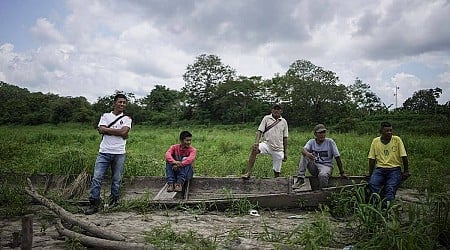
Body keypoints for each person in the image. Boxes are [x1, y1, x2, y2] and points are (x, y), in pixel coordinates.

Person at [85, 93, 132, 215]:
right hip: (104, 152)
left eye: (124, 102)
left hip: (119, 153)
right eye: (120, 102)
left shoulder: (127, 118)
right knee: (97, 178)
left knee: (116, 179)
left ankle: (114, 201)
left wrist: (107, 130)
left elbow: (123, 132)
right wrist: (119, 132)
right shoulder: (105, 116)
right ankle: (94, 203)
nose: (122, 104)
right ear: (114, 103)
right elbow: (102, 129)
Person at [242, 103, 288, 179]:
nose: (276, 110)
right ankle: (248, 172)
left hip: (278, 148)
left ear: (281, 111)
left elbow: (285, 137)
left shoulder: (284, 121)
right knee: (254, 149)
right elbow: (260, 131)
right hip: (267, 144)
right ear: (272, 110)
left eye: (278, 109)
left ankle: (277, 181)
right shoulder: (266, 118)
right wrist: (256, 142)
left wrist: (285, 152)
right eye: (275, 109)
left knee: (277, 171)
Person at [293, 124, 346, 189]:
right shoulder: (311, 142)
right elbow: (303, 150)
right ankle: (300, 179)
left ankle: (322, 190)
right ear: (315, 134)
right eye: (320, 133)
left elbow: (337, 157)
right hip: (315, 166)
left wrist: (342, 172)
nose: (322, 135)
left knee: (322, 176)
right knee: (305, 155)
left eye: (324, 132)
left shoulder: (330, 142)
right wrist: (308, 154)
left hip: (326, 166)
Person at [368, 122, 410, 204]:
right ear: (381, 131)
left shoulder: (397, 140)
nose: (389, 133)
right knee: (372, 183)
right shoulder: (375, 141)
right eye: (387, 131)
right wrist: (371, 174)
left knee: (390, 187)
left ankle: (387, 207)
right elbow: (372, 159)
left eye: (391, 130)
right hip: (380, 168)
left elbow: (404, 156)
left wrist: (406, 171)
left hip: (394, 169)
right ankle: (378, 204)